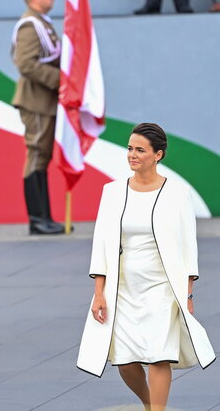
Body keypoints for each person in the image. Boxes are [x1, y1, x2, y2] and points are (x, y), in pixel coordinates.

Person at [77, 123, 215, 411]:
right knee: (124, 361)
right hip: (123, 288)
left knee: (159, 355)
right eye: (130, 148)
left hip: (163, 288)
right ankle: (149, 403)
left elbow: (189, 246)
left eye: (140, 150)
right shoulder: (112, 192)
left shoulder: (177, 193)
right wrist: (99, 293)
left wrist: (187, 294)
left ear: (158, 155)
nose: (132, 155)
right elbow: (102, 244)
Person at [11, 0, 64, 235]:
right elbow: (26, 64)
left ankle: (45, 216)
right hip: (36, 99)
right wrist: (60, 79)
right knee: (36, 155)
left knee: (43, 156)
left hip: (44, 99)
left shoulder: (41, 21)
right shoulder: (31, 25)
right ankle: (36, 218)